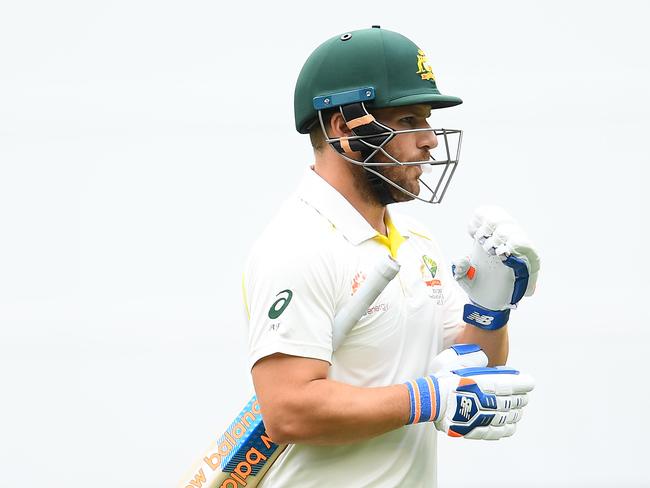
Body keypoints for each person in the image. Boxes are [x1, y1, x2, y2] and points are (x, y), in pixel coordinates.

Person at [242, 26, 540, 487]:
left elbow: (473, 367)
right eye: (408, 121)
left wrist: (490, 311)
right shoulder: (297, 246)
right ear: (343, 129)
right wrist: (425, 400)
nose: (430, 140)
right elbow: (288, 410)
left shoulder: (416, 239)